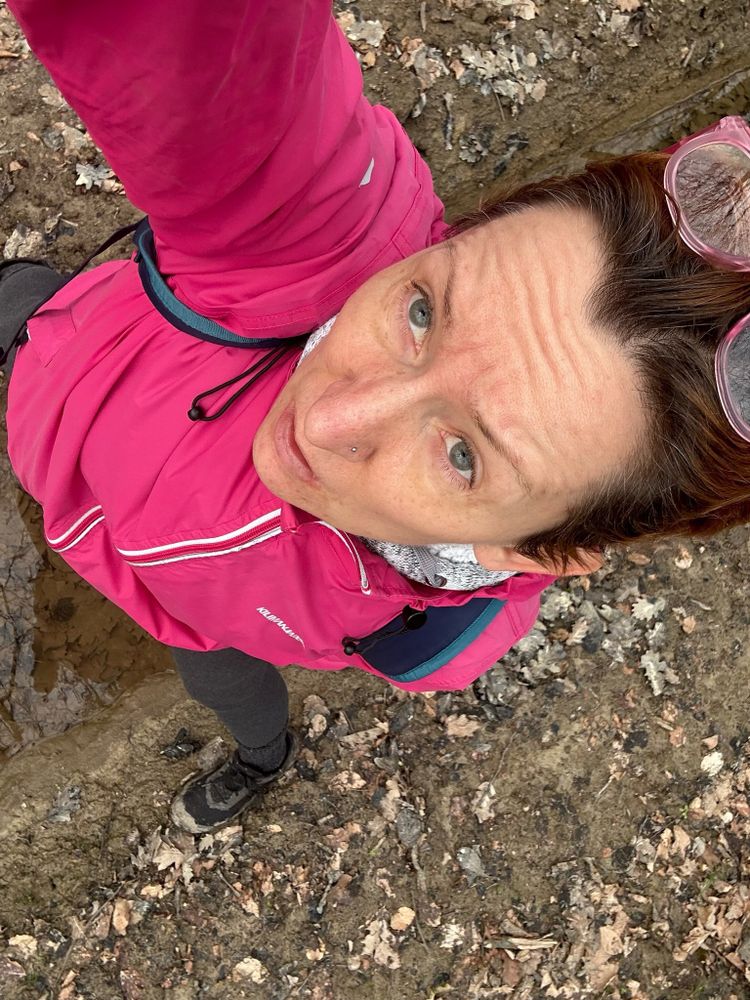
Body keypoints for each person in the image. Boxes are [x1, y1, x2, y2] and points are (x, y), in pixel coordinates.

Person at [2, 1, 750, 835]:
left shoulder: (434, 638)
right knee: (27, 311)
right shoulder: (314, 236)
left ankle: (263, 756)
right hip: (60, 372)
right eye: (423, 310)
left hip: (204, 627)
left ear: (531, 550)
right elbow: (201, 39)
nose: (325, 421)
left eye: (463, 456)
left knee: (225, 686)